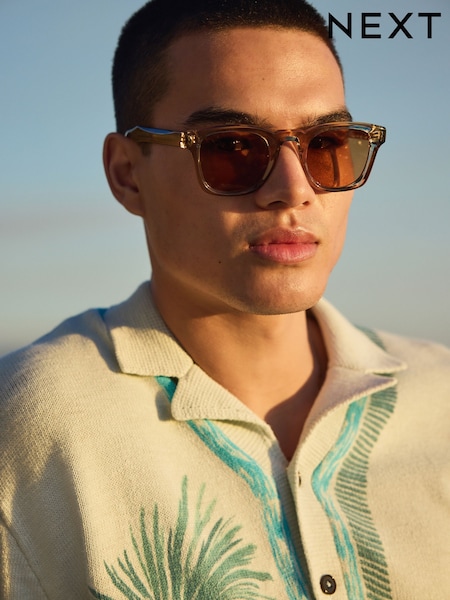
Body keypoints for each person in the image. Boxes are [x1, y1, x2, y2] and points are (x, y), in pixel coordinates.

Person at [1, 0, 449, 598]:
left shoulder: (441, 401)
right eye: (232, 148)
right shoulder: (31, 427)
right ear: (127, 173)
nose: (294, 189)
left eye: (325, 143)